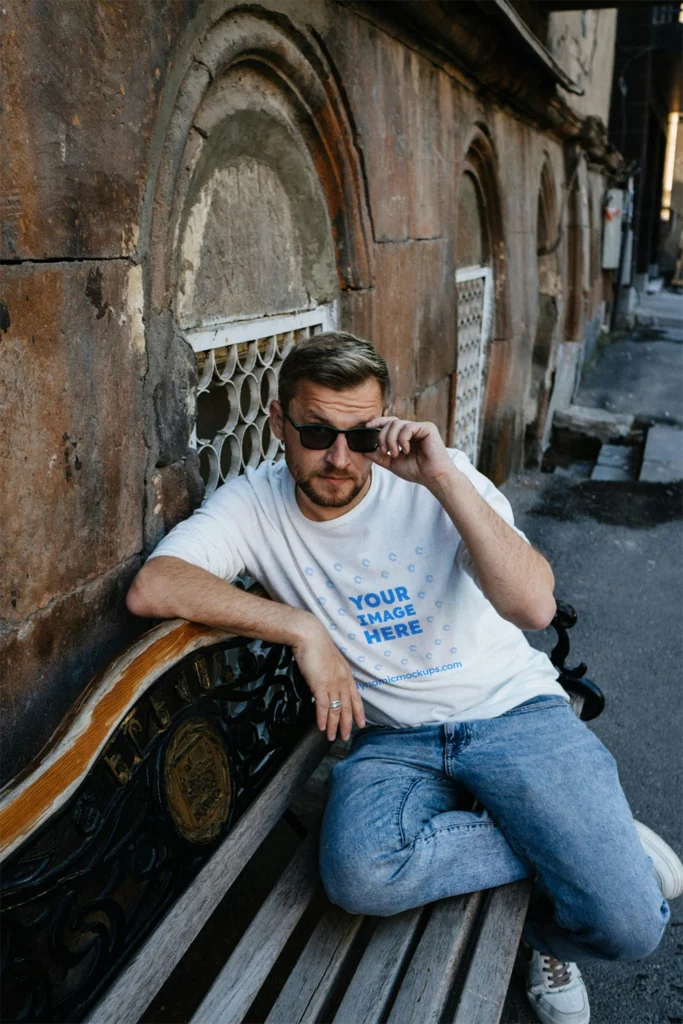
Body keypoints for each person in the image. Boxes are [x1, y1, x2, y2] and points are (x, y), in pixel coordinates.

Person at [127, 332, 682, 1024]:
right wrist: (303, 628)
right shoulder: (254, 504)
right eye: (314, 432)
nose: (337, 459)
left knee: (631, 924)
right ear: (277, 423)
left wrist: (444, 480)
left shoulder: (435, 479)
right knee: (359, 874)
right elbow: (154, 586)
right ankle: (578, 840)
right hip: (393, 740)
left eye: (358, 437)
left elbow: (533, 606)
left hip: (514, 711)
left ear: (383, 422)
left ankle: (548, 927)